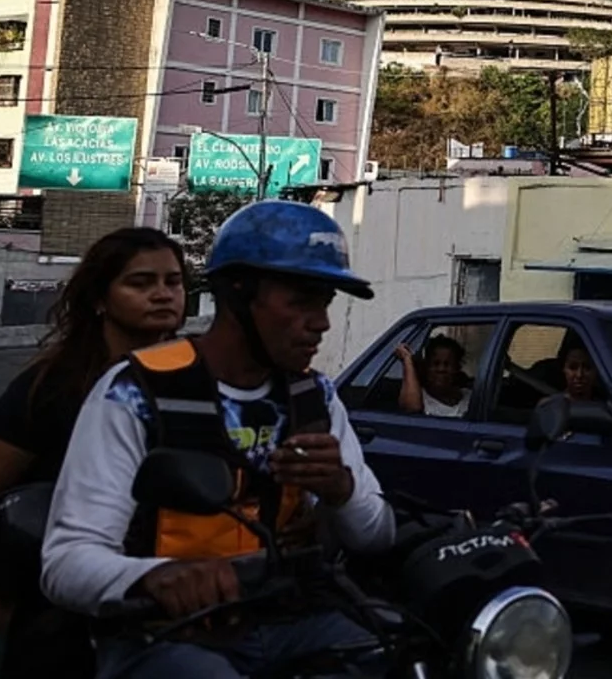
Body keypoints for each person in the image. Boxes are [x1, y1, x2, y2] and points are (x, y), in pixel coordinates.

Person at [39, 200, 397, 679]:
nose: (322, 323)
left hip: (292, 617)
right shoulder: (136, 392)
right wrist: (156, 576)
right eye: (300, 301)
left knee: (402, 656)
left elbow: (377, 536)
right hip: (165, 631)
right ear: (236, 295)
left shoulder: (314, 397)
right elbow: (65, 563)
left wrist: (340, 488)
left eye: (325, 302)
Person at [0, 228, 188, 676]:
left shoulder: (195, 386)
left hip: (169, 600)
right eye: (140, 282)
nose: (162, 294)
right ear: (99, 298)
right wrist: (2, 579)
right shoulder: (54, 387)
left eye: (173, 282)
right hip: (58, 609)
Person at [393, 335, 471, 417]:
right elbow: (412, 409)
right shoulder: (420, 398)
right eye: (436, 364)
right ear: (427, 367)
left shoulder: (470, 397)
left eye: (447, 364)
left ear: (456, 368)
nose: (441, 369)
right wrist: (407, 360)